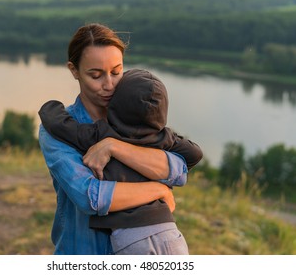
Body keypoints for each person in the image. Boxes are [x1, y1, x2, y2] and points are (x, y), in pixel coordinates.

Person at [38, 23, 199, 255]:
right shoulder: (57, 131)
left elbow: (178, 169)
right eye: (96, 75)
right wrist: (158, 190)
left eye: (116, 72)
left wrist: (114, 147)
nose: (109, 85)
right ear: (74, 70)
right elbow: (89, 196)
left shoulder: (135, 116)